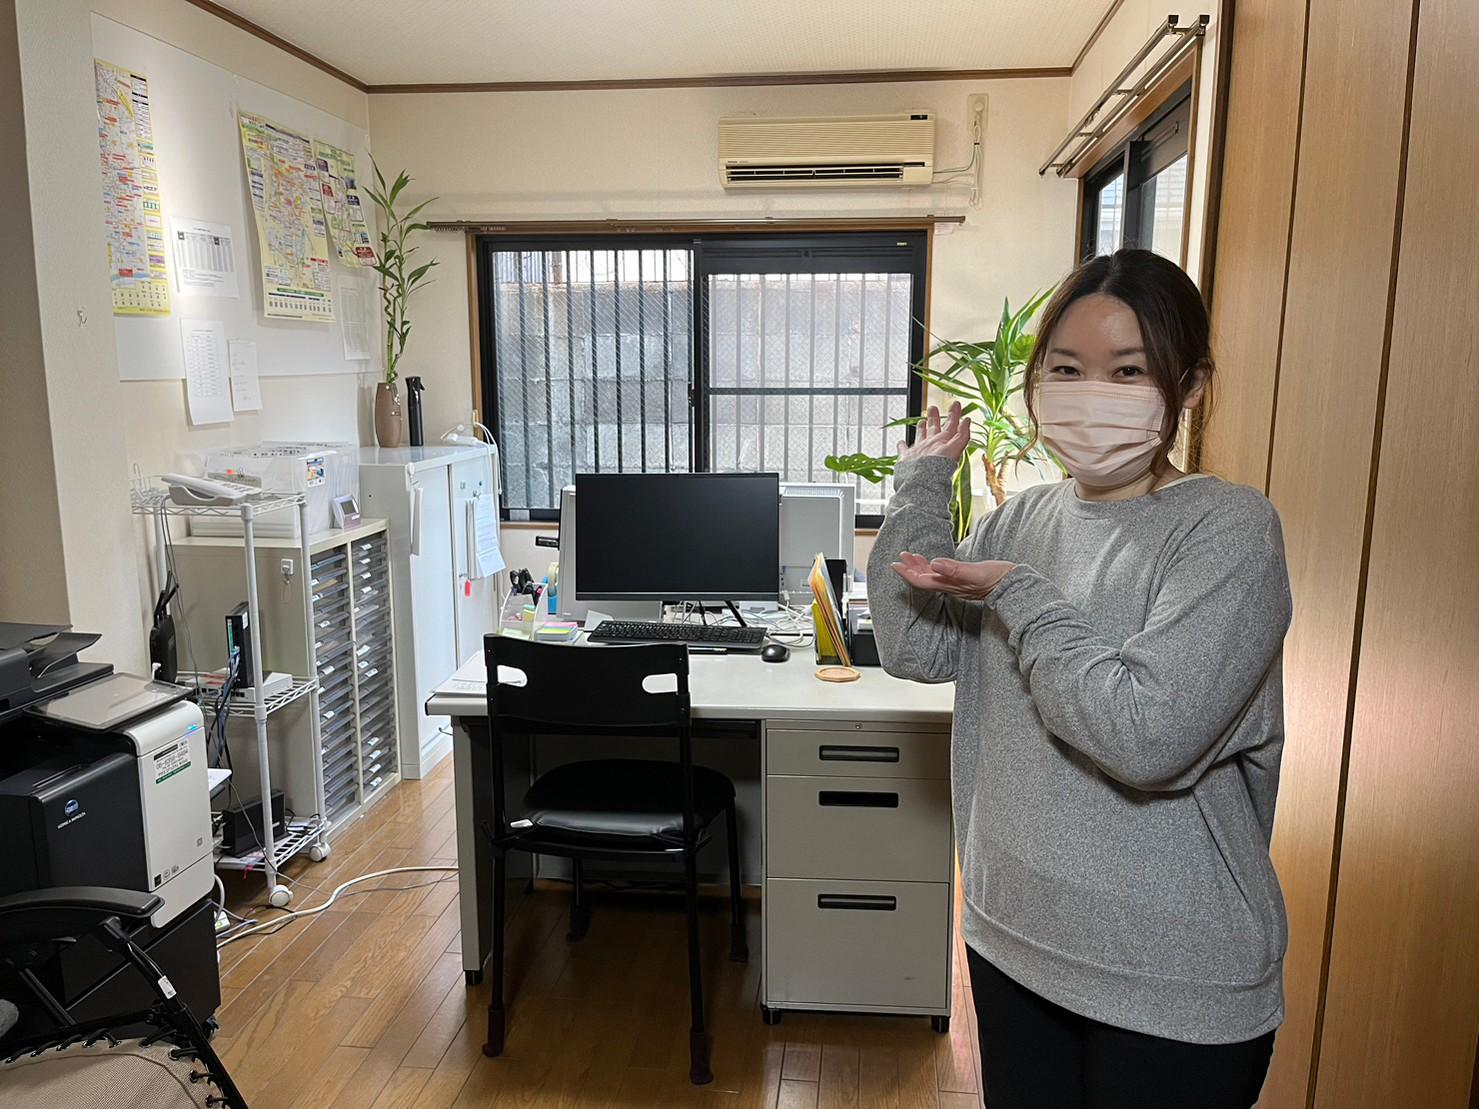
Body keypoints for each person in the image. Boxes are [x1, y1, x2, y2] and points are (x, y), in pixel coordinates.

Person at [868, 248, 1292, 1109]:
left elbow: (1144, 739)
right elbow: (914, 647)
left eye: (1126, 370)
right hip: (1013, 939)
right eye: (1065, 368)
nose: (1091, 394)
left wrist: (1019, 594)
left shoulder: (1227, 531)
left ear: (1189, 385)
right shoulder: (1020, 518)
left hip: (1173, 980)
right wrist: (918, 487)